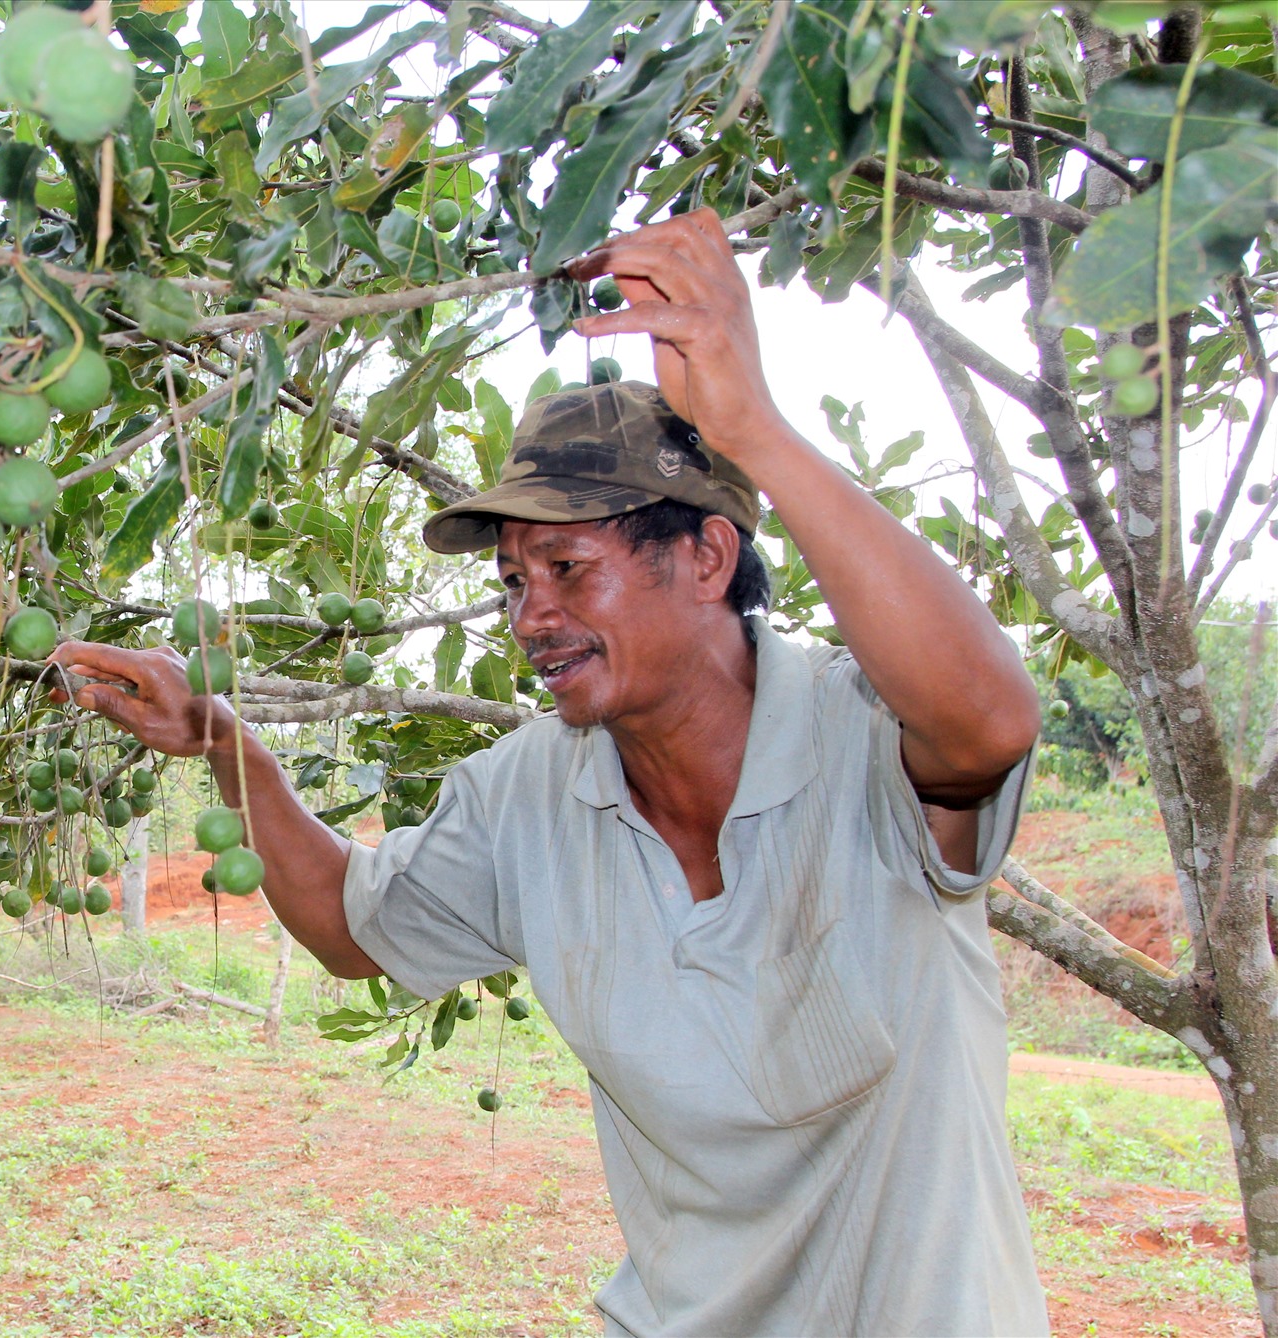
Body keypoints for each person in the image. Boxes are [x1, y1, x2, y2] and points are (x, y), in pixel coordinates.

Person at [51, 209, 1049, 1336]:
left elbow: (988, 723)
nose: (533, 616)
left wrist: (753, 429)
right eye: (513, 583)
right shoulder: (530, 791)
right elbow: (346, 926)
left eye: (567, 566)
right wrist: (226, 744)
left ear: (707, 556)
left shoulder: (863, 730)